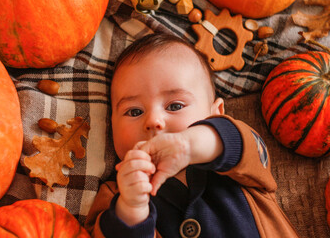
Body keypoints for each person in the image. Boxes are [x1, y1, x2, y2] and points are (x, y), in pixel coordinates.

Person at [85, 33, 299, 238]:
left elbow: (240, 140)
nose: (153, 121)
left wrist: (190, 144)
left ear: (217, 114)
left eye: (175, 105)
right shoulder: (116, 194)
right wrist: (132, 209)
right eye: (134, 111)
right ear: (110, 124)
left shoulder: (237, 166)